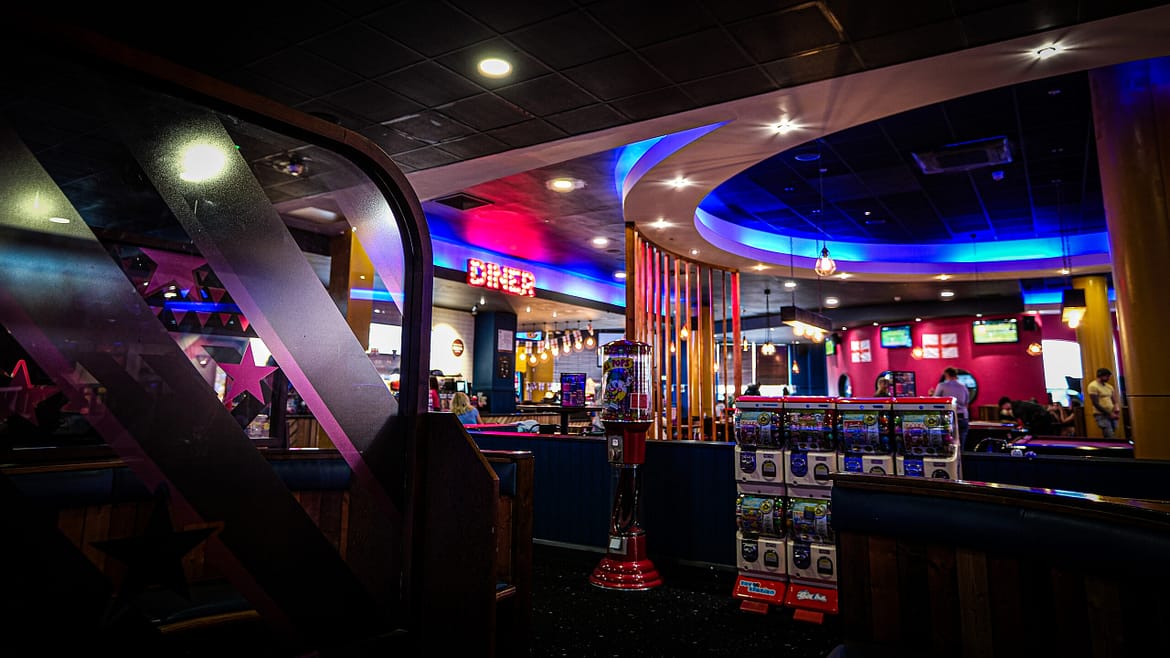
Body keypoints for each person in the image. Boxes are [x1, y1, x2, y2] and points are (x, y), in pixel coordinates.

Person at [931, 367, 969, 446]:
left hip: (948, 417)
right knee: (962, 441)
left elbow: (935, 401)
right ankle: (961, 453)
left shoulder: (942, 386)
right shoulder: (963, 387)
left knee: (948, 442)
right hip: (963, 416)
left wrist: (931, 394)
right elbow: (966, 403)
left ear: (946, 375)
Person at [1086, 367, 1121, 439]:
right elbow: (1095, 403)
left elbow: (1114, 400)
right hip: (1101, 414)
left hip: (1112, 412)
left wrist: (1116, 408)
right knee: (1109, 434)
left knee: (1114, 432)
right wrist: (1109, 413)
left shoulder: (1109, 386)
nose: (1108, 378)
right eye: (1107, 376)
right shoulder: (1093, 386)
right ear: (1101, 376)